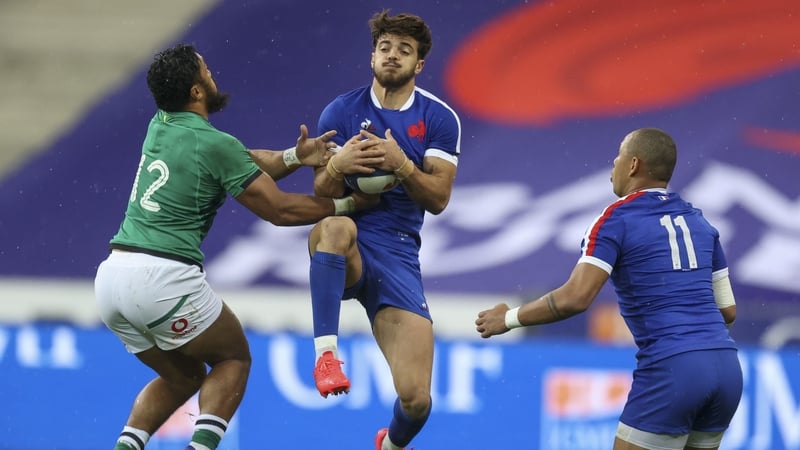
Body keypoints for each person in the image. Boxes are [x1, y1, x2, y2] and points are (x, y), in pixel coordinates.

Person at [94, 43, 378, 450]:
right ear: (196, 91)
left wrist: (296, 156)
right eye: (206, 71)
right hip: (163, 277)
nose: (212, 75)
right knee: (233, 359)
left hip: (111, 280)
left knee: (183, 377)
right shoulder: (214, 144)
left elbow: (241, 162)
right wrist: (349, 204)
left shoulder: (161, 124)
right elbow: (279, 210)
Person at [475, 128, 742, 450]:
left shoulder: (616, 219)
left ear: (633, 164)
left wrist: (508, 318)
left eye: (618, 156)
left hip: (672, 369)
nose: (613, 164)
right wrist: (700, 346)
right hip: (727, 367)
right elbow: (727, 310)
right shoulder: (701, 223)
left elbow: (575, 298)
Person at [306, 10, 462, 450]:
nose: (392, 55)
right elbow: (321, 192)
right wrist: (336, 166)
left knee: (417, 401)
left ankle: (389, 444)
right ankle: (326, 357)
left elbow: (438, 199)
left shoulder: (438, 118)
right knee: (334, 226)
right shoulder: (340, 111)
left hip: (397, 253)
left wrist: (402, 165)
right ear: (372, 56)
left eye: (404, 50)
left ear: (419, 64)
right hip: (349, 241)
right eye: (385, 47)